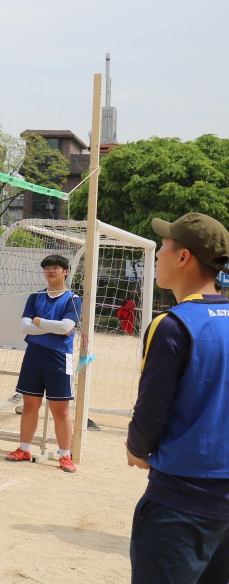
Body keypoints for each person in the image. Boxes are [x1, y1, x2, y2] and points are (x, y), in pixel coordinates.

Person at [127, 213, 229, 583]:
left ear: (183, 257)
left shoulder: (172, 325)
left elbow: (151, 412)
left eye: (164, 245)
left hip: (180, 504)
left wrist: (136, 448)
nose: (158, 253)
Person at [4, 254, 82, 472]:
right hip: (34, 355)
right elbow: (25, 327)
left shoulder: (73, 299)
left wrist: (38, 321)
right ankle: (24, 449)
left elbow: (66, 327)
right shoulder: (35, 296)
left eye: (55, 268)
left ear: (65, 272)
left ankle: (65, 455)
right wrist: (52, 327)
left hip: (60, 358)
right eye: (47, 268)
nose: (50, 271)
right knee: (30, 405)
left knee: (61, 410)